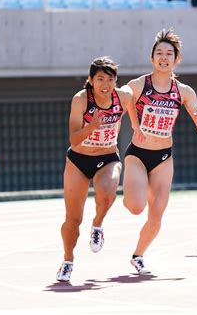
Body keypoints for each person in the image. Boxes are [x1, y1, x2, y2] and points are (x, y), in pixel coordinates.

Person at [123, 29, 197, 274]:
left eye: (168, 54)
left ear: (176, 59)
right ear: (152, 58)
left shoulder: (184, 91)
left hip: (163, 158)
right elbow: (124, 101)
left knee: (157, 214)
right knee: (136, 206)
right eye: (159, 53)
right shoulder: (139, 85)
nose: (163, 57)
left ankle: (138, 255)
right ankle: (124, 194)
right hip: (138, 154)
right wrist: (135, 124)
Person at [56, 57, 131, 282]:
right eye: (100, 79)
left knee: (108, 190)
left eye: (110, 79)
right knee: (73, 220)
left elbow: (142, 94)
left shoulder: (123, 97)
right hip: (79, 161)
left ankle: (98, 224)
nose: (105, 84)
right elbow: (74, 140)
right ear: (90, 80)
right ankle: (68, 260)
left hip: (107, 156)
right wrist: (92, 126)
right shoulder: (81, 100)